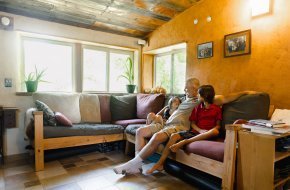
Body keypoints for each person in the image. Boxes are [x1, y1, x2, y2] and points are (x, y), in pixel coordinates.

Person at [113, 77, 255, 175]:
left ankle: (133, 163)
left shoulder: (200, 100)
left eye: (187, 89)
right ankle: (136, 166)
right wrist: (159, 115)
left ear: (196, 89)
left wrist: (245, 92)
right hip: (166, 123)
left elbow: (225, 98)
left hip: (178, 127)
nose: (184, 90)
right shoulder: (184, 99)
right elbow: (168, 107)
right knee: (140, 131)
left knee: (156, 137)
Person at [147, 85, 221, 174]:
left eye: (198, 94)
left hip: (209, 133)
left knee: (215, 131)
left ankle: (185, 141)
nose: (197, 95)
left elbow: (218, 126)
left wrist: (208, 131)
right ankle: (159, 163)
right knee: (174, 136)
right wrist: (200, 130)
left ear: (204, 96)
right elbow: (193, 124)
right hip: (196, 132)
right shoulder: (197, 108)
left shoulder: (216, 109)